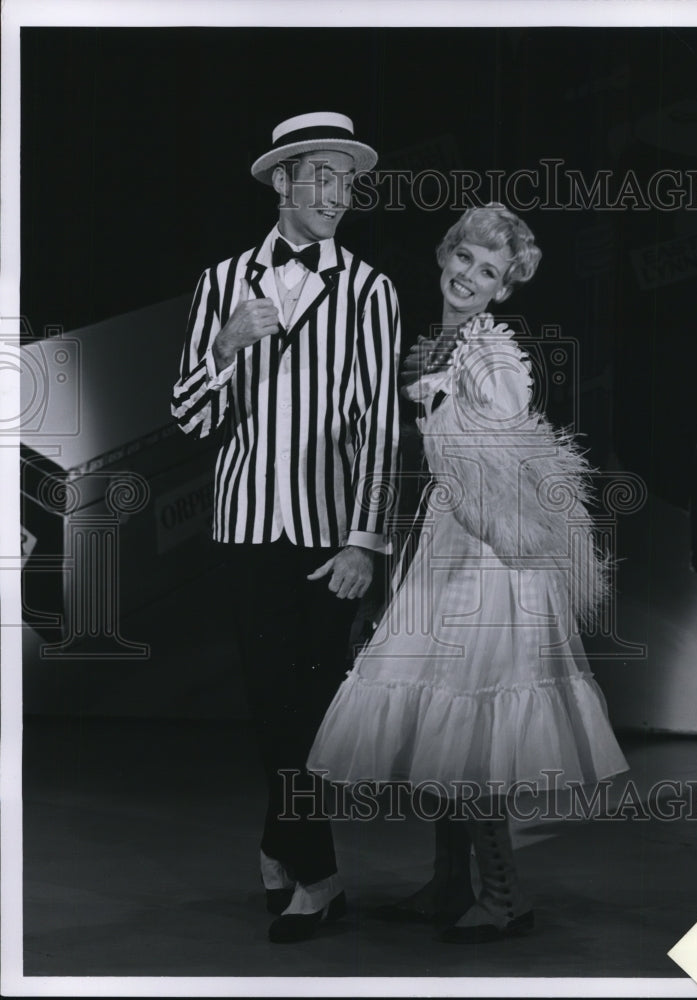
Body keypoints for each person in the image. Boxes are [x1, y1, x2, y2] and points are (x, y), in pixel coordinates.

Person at [307, 203, 628, 943]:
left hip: (487, 559)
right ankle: (452, 885)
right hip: (450, 539)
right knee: (439, 724)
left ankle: (505, 897)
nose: (470, 277)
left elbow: (509, 420)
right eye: (465, 259)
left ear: (503, 290)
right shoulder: (442, 339)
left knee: (470, 722)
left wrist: (448, 398)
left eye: (489, 272)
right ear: (445, 256)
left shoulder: (490, 348)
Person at [171, 112, 401, 943]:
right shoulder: (221, 282)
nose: (337, 196)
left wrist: (363, 542)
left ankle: (304, 866)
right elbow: (191, 423)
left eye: (347, 183)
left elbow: (379, 427)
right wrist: (225, 347)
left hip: (325, 538)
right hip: (244, 531)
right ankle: (304, 861)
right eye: (322, 179)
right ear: (282, 183)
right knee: (271, 710)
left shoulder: (370, 289)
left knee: (310, 714)